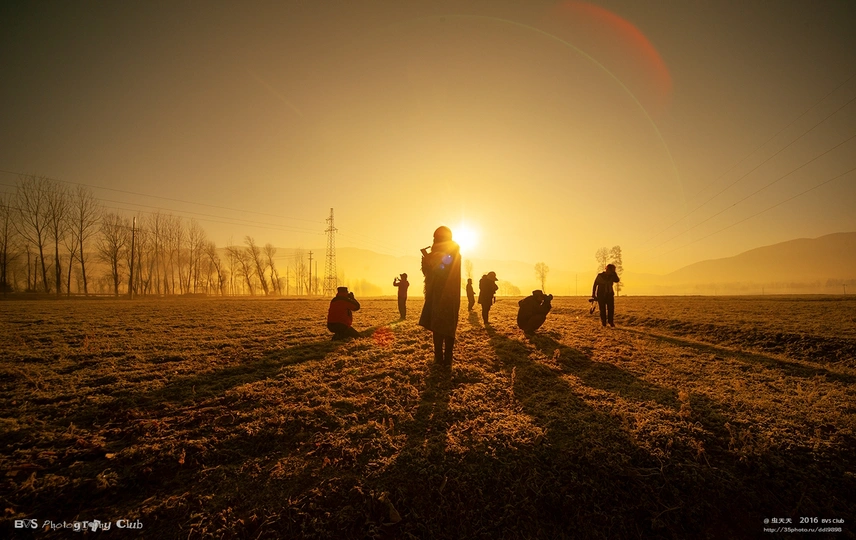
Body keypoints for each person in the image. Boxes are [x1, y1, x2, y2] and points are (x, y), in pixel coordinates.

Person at [418, 226, 461, 363]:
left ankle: (446, 358)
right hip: (437, 295)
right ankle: (439, 357)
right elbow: (429, 274)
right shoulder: (443, 253)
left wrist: (430, 260)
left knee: (446, 327)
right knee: (438, 326)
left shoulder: (453, 253)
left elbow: (444, 272)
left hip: (447, 296)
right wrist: (427, 262)